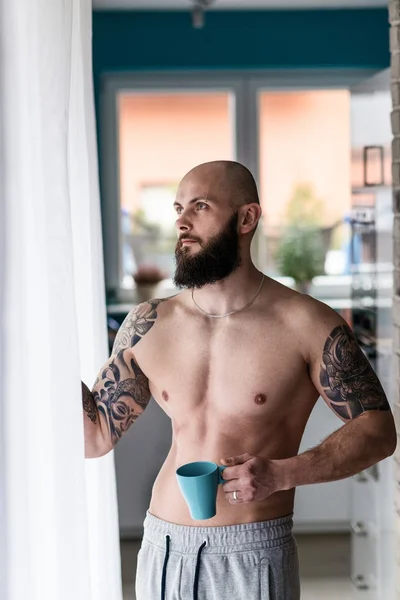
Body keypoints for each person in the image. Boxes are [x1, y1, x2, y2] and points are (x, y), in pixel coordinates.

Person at [82, 160, 397, 600]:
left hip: (251, 554)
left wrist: (281, 475)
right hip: (164, 548)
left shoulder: (305, 323)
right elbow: (93, 438)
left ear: (246, 218)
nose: (181, 220)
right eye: (179, 207)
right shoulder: (150, 322)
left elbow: (379, 432)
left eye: (201, 206)